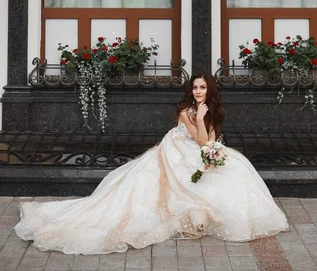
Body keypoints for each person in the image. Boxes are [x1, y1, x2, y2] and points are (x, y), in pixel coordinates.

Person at [14, 73, 289, 255]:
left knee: (235, 168)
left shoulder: (212, 110)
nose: (198, 91)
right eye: (194, 87)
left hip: (197, 150)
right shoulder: (186, 112)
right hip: (179, 150)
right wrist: (203, 123)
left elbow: (213, 142)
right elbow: (203, 141)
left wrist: (212, 142)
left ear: (210, 90)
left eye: (203, 87)